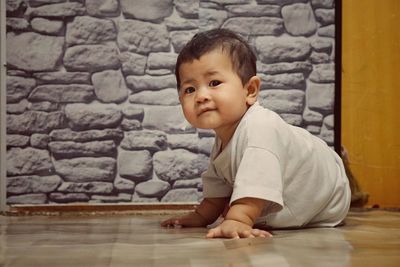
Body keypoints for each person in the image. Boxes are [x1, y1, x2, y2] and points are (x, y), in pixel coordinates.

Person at [161, 28, 351, 239]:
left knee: (247, 200)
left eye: (214, 83)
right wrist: (201, 216)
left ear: (250, 90)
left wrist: (238, 219)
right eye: (190, 89)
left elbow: (257, 179)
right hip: (300, 187)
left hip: (328, 194)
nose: (201, 96)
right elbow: (218, 188)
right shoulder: (224, 139)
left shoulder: (260, 127)